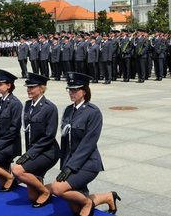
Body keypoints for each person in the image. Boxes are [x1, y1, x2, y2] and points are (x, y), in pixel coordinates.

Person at [48, 72, 121, 215]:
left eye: (75, 89)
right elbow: (65, 143)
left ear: (84, 91)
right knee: (76, 209)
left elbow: (88, 144)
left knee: (57, 189)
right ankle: (107, 197)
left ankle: (88, 201)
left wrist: (70, 167)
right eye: (70, 89)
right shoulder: (68, 110)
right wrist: (64, 166)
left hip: (88, 164)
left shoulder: (93, 112)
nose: (71, 92)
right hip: (71, 164)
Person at [11, 73, 59, 208]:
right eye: (28, 87)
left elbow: (49, 136)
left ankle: (46, 191)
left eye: (32, 87)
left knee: (17, 170)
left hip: (47, 152)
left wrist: (29, 155)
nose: (29, 90)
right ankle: (39, 180)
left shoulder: (50, 107)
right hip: (34, 151)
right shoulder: (27, 105)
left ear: (42, 88)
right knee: (32, 197)